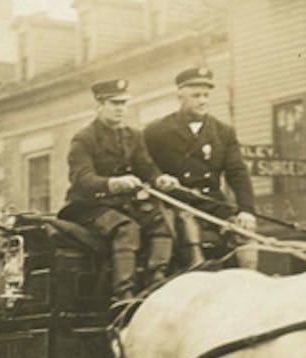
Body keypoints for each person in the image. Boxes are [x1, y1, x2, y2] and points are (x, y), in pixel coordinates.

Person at [61, 78, 180, 302]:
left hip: (120, 205)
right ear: (99, 105)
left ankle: (157, 278)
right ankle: (123, 292)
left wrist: (160, 179)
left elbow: (146, 167)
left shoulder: (133, 136)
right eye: (114, 103)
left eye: (124, 103)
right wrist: (113, 183)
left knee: (161, 219)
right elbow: (81, 179)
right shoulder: (84, 139)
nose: (120, 109)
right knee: (126, 228)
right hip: (89, 207)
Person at [144, 66, 258, 268]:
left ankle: (250, 283)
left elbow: (237, 172)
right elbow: (143, 164)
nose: (203, 101)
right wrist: (158, 177)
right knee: (184, 232)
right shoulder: (156, 131)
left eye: (206, 95)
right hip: (173, 203)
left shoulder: (223, 132)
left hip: (211, 204)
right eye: (196, 95)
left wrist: (246, 210)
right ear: (179, 95)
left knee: (244, 233)